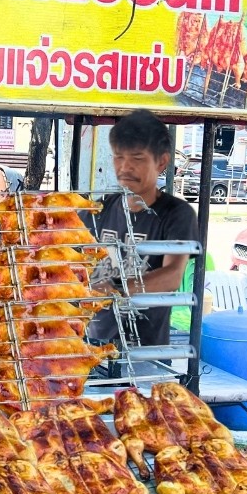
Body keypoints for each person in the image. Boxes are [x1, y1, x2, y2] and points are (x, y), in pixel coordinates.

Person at [84, 110, 198, 351]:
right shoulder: (96, 208)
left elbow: (172, 276)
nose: (125, 167)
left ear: (162, 162)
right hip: (92, 345)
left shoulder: (176, 213)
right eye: (118, 157)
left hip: (144, 351)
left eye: (137, 158)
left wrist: (114, 289)